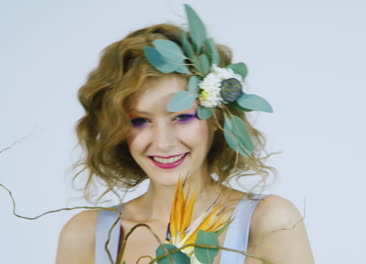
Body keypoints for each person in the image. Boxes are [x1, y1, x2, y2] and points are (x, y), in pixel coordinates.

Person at [55, 4, 314, 264]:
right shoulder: (85, 235)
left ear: (216, 117)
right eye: (140, 121)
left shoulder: (269, 223)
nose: (163, 142)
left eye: (182, 116)